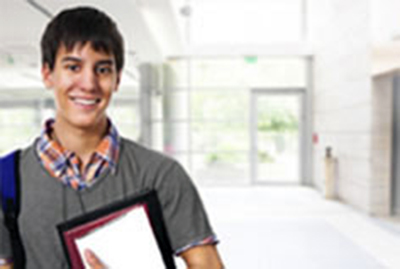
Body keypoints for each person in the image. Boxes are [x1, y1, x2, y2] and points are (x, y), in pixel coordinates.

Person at [0, 6, 223, 269]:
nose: (88, 83)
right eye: (73, 67)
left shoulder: (160, 176)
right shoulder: (7, 180)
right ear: (48, 74)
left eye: (103, 69)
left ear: (117, 79)